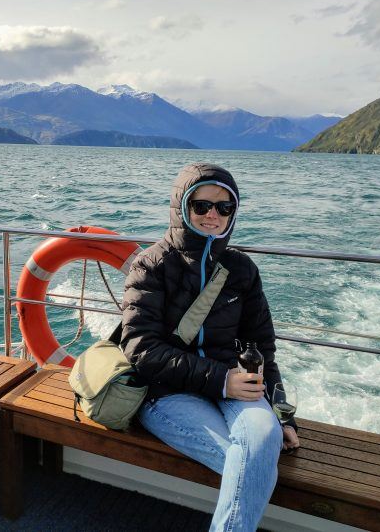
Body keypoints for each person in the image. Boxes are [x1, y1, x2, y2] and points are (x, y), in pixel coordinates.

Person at [120, 162, 299, 532]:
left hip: (236, 386)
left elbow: (263, 348)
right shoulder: (151, 266)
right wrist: (221, 380)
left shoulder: (242, 270)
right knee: (255, 458)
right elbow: (141, 349)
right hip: (167, 392)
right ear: (182, 208)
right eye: (201, 206)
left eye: (224, 207)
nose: (212, 215)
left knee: (263, 438)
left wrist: (282, 415)